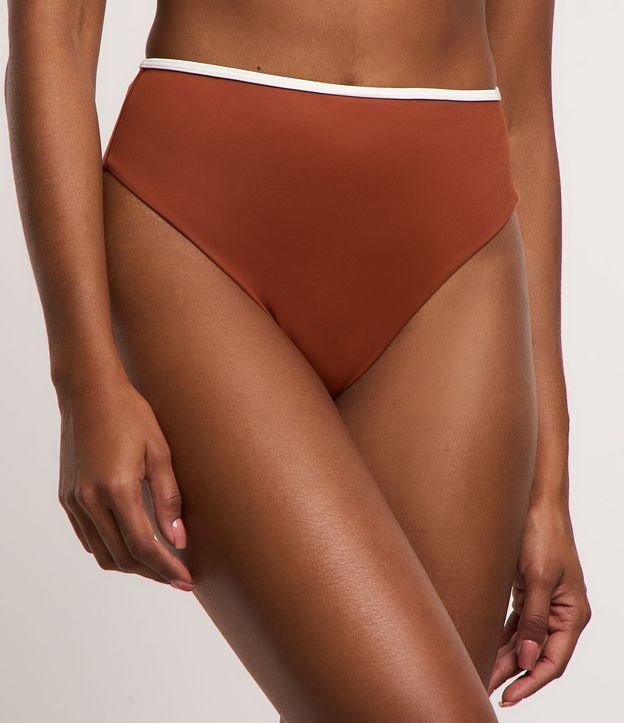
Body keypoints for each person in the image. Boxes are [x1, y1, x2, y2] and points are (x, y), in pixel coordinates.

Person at [5, 1, 591, 720]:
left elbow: (523, 109)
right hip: (198, 228)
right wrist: (82, 375)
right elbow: (56, 29)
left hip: (457, 259)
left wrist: (549, 485)